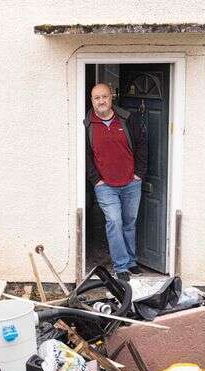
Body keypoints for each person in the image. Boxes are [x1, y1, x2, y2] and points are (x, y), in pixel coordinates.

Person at [84, 83, 147, 280]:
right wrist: (96, 179)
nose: (101, 101)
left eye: (104, 96)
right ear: (92, 100)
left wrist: (139, 173)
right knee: (114, 221)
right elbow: (86, 155)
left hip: (131, 182)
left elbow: (142, 145)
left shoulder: (128, 119)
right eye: (97, 98)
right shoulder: (87, 124)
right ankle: (121, 266)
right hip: (105, 186)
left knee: (130, 222)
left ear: (111, 98)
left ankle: (131, 261)